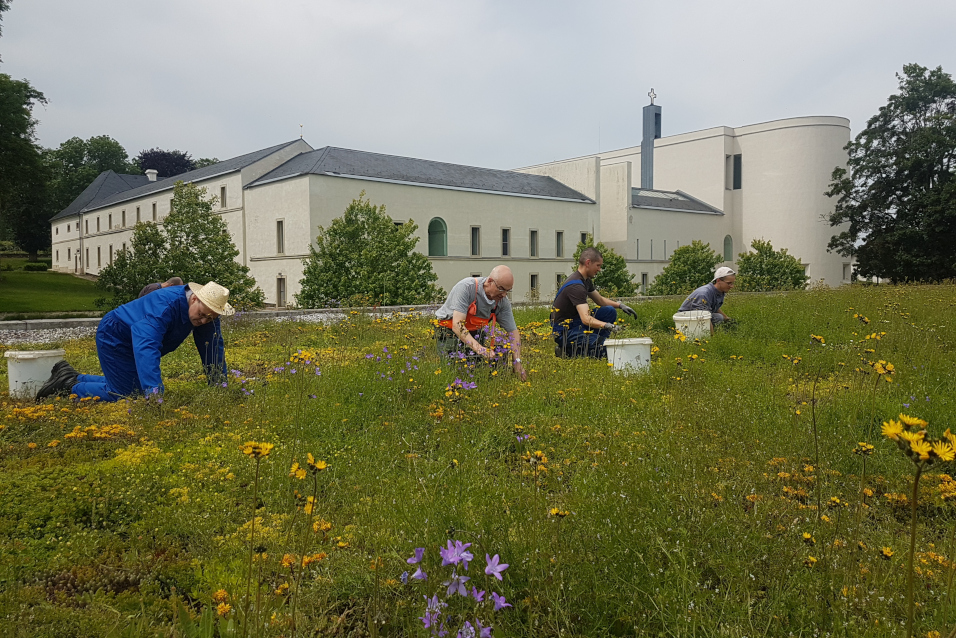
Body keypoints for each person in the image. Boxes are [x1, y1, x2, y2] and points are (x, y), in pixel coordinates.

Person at [36, 281, 233, 402]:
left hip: (133, 338)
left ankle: (72, 376)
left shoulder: (208, 312)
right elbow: (147, 347)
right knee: (127, 394)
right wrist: (154, 394)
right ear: (194, 299)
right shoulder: (165, 306)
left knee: (132, 386)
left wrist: (219, 386)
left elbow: (212, 348)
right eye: (202, 315)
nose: (204, 321)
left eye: (211, 318)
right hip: (115, 336)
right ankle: (69, 386)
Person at [435, 265, 527, 381]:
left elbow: (513, 332)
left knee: (478, 374)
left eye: (508, 291)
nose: (504, 294)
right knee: (453, 373)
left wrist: (517, 362)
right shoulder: (467, 288)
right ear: (489, 281)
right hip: (449, 333)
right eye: (501, 289)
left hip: (475, 334)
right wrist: (480, 349)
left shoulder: (502, 302)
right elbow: (457, 325)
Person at [550, 247, 638, 358]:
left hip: (576, 322)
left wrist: (620, 305)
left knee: (609, 311)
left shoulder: (585, 280)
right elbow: (586, 319)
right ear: (588, 263)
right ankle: (569, 351)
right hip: (565, 330)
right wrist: (607, 325)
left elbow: (600, 300)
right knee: (607, 351)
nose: (599, 269)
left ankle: (594, 342)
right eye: (598, 265)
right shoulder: (576, 286)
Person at [677, 266, 736, 333]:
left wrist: (727, 319)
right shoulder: (704, 294)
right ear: (718, 280)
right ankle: (702, 334)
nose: (732, 286)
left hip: (699, 317)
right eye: (729, 283)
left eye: (732, 283)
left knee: (719, 317)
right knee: (718, 318)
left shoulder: (720, 291)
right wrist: (712, 339)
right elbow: (704, 317)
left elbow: (714, 307)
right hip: (685, 320)